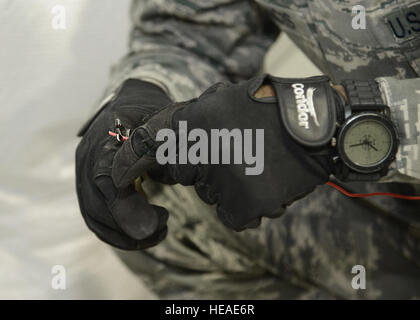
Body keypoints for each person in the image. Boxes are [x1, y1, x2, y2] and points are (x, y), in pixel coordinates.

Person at [75, 0, 420, 299]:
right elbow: (186, 30)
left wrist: (338, 121)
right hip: (399, 197)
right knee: (159, 191)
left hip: (390, 143)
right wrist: (148, 87)